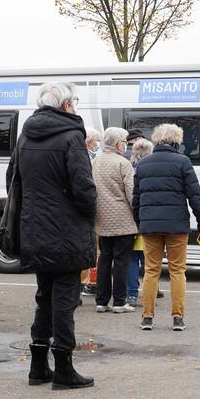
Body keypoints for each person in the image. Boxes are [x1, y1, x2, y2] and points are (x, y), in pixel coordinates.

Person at [7, 81, 96, 390]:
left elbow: (13, 181)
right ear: (67, 105)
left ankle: (38, 366)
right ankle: (64, 368)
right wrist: (88, 213)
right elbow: (84, 187)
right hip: (66, 230)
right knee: (65, 299)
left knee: (44, 296)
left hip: (34, 228)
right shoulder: (72, 136)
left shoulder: (25, 136)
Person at [133, 124, 200, 332]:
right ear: (176, 141)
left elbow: (136, 199)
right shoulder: (183, 162)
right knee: (177, 271)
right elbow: (195, 196)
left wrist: (140, 223)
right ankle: (177, 317)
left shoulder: (144, 164)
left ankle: (147, 317)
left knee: (151, 271)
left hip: (150, 226)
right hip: (177, 226)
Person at [93, 127, 137, 314]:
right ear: (118, 143)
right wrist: (138, 215)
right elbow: (131, 193)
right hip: (122, 220)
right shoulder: (123, 163)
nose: (126, 145)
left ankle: (101, 301)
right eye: (125, 142)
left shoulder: (95, 161)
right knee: (121, 261)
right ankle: (119, 302)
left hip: (101, 218)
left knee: (104, 259)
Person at [127, 139, 159, 307]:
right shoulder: (152, 169)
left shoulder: (129, 168)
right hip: (147, 219)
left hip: (131, 219)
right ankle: (151, 292)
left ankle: (131, 294)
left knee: (131, 259)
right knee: (149, 260)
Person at [80, 127, 102, 296]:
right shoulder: (85, 157)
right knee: (91, 247)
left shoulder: (93, 156)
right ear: (89, 142)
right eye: (97, 141)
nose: (98, 144)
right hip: (89, 208)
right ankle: (85, 282)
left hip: (92, 207)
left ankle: (89, 281)